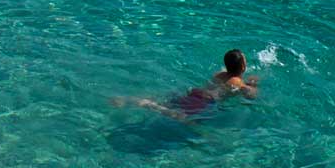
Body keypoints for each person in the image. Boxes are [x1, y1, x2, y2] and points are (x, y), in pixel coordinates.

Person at [111, 49, 260, 121]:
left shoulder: (219, 74)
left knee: (166, 102)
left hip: (195, 93)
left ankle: (130, 99)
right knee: (179, 117)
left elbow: (228, 78)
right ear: (243, 67)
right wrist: (253, 86)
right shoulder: (239, 83)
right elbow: (251, 96)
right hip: (204, 102)